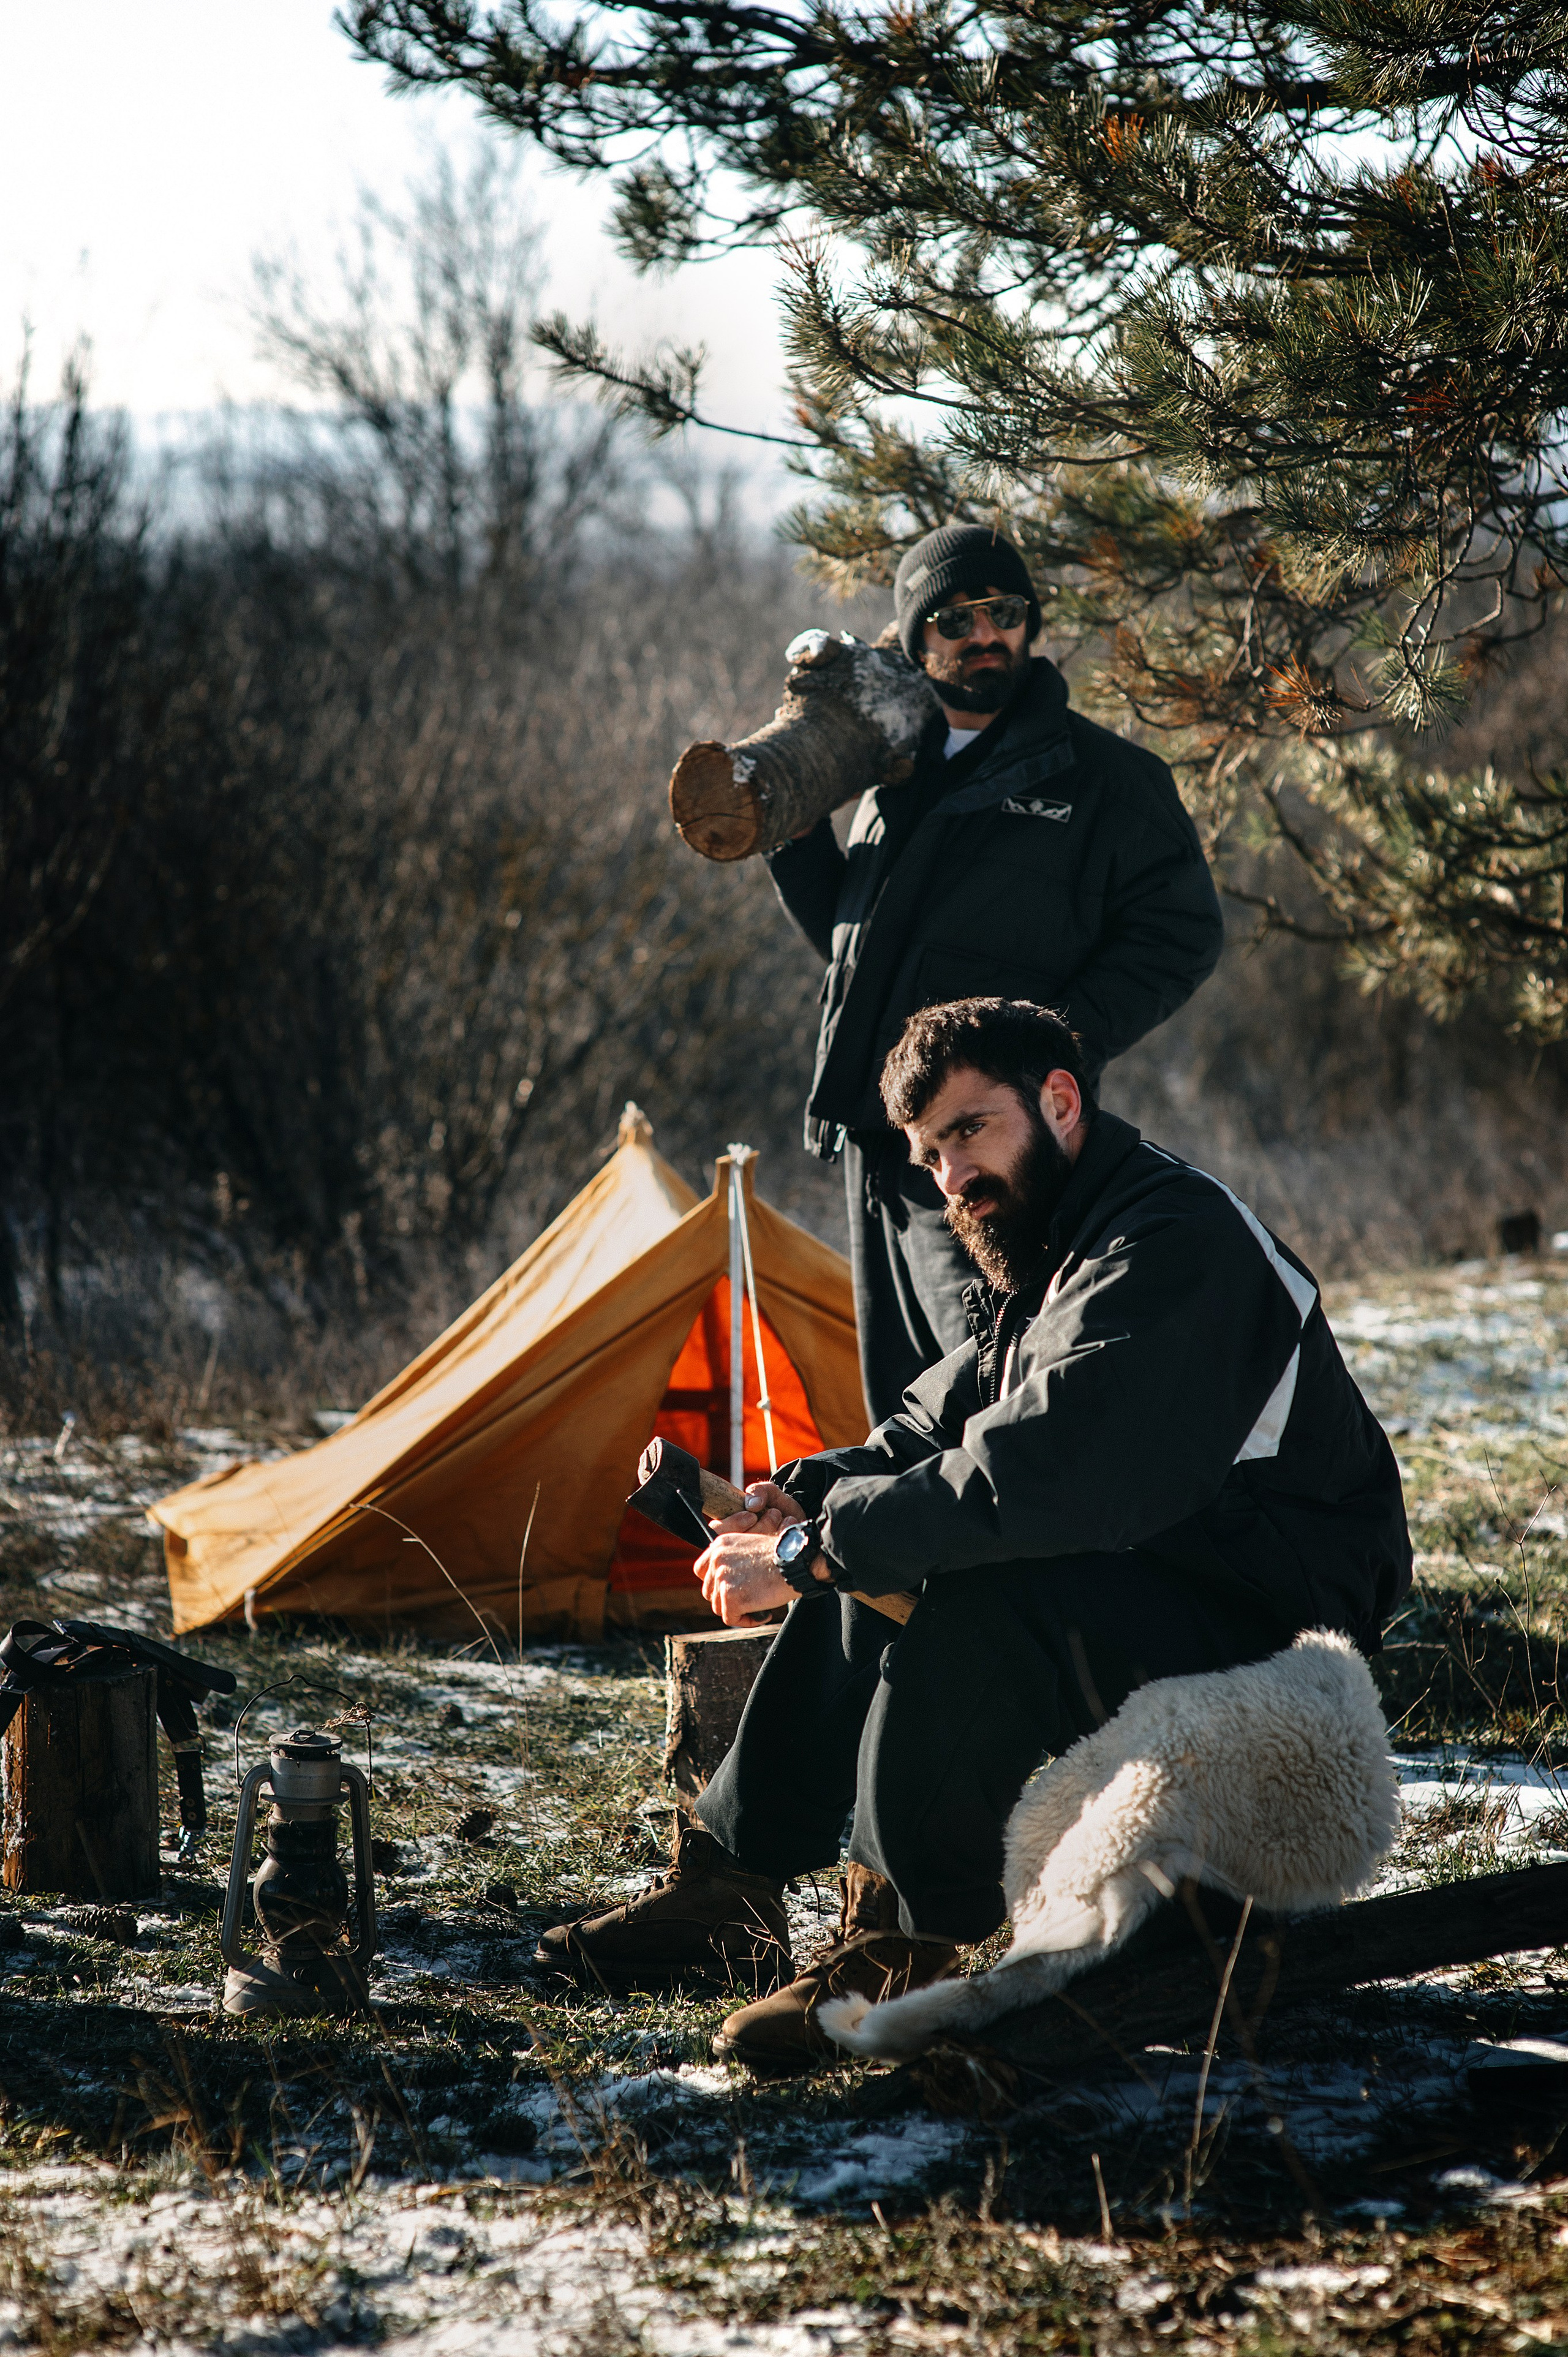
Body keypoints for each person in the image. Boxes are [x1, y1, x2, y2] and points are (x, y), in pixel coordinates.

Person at [536, 998, 1412, 2072]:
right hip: (1158, 1573)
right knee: (875, 1547)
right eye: (929, 1153)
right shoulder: (1051, 1242)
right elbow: (934, 1428)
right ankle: (731, 1889)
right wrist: (803, 1501)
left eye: (969, 1130)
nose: (950, 1176)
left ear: (1060, 1101)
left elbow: (1044, 1475)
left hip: (1270, 1633)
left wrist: (811, 1554)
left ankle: (904, 1945)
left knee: (977, 1591)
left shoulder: (1172, 1243)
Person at [764, 522, 1226, 1421]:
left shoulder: (1106, 780)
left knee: (997, 1390)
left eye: (1004, 612)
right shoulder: (895, 776)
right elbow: (855, 948)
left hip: (994, 1148)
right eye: (955, 620)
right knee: (908, 1406)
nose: (986, 634)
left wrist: (1049, 1049)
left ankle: (1038, 1521)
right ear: (916, 642)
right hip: (887, 1144)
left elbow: (1183, 935)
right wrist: (794, 837)